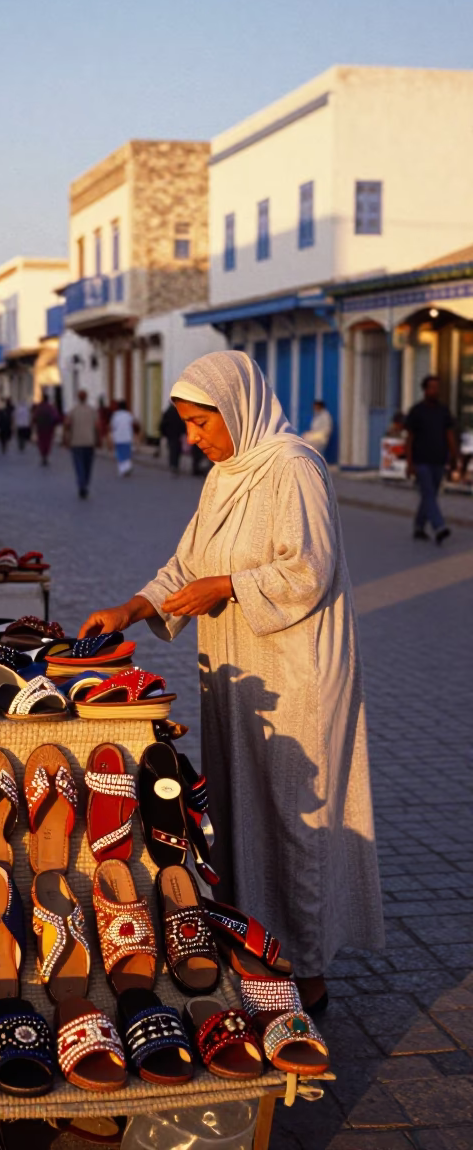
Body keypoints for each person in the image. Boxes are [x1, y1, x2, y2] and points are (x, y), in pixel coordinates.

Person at [79, 351, 384, 1011]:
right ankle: (259, 945)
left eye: (199, 422)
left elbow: (309, 569)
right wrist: (133, 607)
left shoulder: (293, 466)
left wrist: (226, 587)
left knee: (295, 818)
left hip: (296, 669)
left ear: (236, 407)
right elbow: (187, 564)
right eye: (185, 424)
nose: (193, 438)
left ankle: (306, 971)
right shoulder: (225, 473)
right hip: (242, 673)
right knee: (244, 814)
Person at [405, 374, 457, 544]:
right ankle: (439, 527)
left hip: (439, 460)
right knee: (428, 494)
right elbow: (410, 438)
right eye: (432, 387)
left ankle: (419, 527)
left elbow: (449, 434)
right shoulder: (416, 411)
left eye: (437, 387)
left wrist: (454, 456)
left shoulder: (443, 411)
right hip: (421, 461)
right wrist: (409, 463)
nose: (435, 391)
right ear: (425, 390)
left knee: (430, 495)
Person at [65, 389, 99, 498]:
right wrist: (98, 439)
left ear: (78, 398)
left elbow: (67, 425)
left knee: (79, 465)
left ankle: (81, 484)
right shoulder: (92, 410)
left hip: (76, 442)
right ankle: (85, 483)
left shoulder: (73, 410)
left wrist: (67, 439)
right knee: (88, 465)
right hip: (89, 442)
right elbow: (97, 427)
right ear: (86, 397)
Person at [33, 392, 61, 466]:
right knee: (47, 442)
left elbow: (34, 417)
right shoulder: (50, 407)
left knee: (41, 442)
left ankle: (43, 455)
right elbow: (56, 417)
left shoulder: (39, 408)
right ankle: (46, 455)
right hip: (49, 428)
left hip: (40, 427)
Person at [109, 399, 135, 476]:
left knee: (120, 454)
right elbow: (131, 424)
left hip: (118, 437)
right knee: (127, 453)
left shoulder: (115, 416)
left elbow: (113, 426)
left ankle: (122, 469)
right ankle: (127, 467)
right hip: (127, 437)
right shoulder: (128, 415)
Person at [159, 401, 187, 474]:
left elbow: (163, 424)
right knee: (176, 450)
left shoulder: (168, 412)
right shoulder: (178, 411)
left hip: (171, 434)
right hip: (176, 434)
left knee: (173, 450)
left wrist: (164, 433)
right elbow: (182, 423)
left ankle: (173, 465)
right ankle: (175, 465)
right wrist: (184, 431)